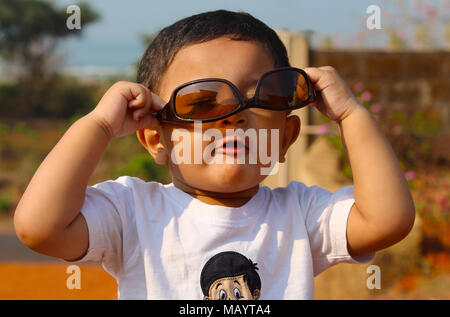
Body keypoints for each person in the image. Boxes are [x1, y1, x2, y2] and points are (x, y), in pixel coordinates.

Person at [13, 10, 415, 299]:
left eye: (260, 97)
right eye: (201, 103)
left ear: (286, 136)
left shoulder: (301, 214)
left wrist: (351, 114)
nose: (234, 118)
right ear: (156, 140)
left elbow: (388, 220)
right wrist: (98, 125)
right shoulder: (132, 212)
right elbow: (40, 227)